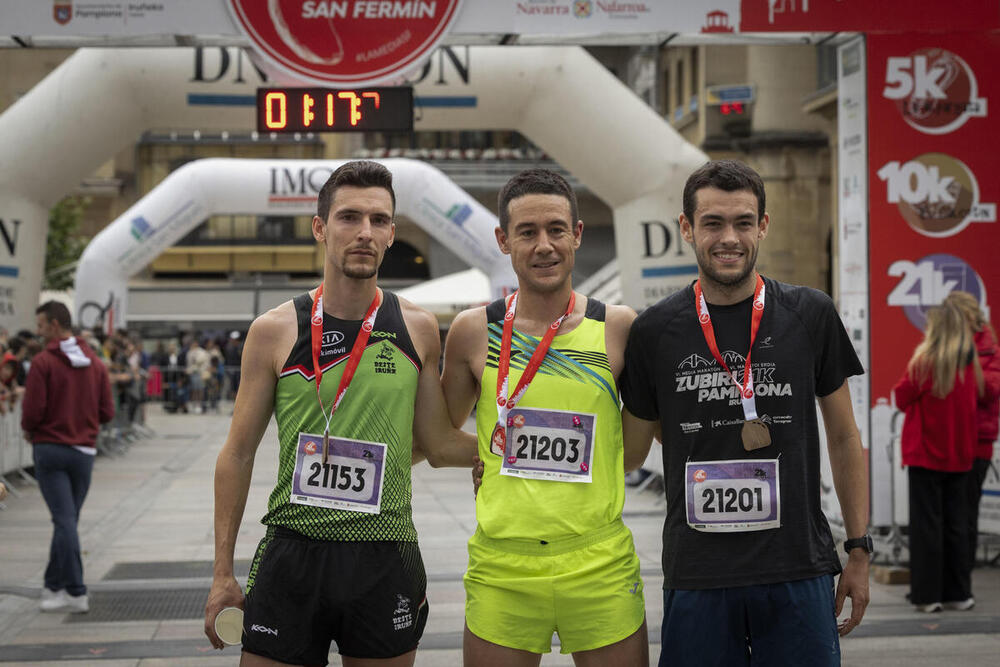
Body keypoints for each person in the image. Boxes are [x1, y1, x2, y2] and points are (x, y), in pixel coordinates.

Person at [204, 160, 476, 666]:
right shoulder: (274, 330)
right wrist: (223, 571)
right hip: (293, 549)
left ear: (392, 233)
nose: (364, 233)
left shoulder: (417, 328)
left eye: (379, 220)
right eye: (349, 217)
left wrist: (512, 449)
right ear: (320, 227)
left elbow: (438, 444)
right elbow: (237, 454)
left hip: (385, 553)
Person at [619, 160, 870, 665]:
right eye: (712, 223)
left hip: (798, 568)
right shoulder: (654, 330)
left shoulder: (810, 313)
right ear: (687, 228)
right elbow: (628, 452)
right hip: (698, 575)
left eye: (742, 222)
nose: (728, 237)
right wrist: (503, 456)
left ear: (763, 225)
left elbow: (844, 438)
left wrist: (859, 551)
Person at [443, 168, 650, 666]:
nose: (544, 245)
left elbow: (631, 452)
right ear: (502, 240)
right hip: (503, 565)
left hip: (598, 560)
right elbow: (436, 435)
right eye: (527, 232)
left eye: (557, 229)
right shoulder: (473, 331)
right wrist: (491, 454)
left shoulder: (618, 327)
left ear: (577, 234)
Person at [22, 301, 115, 613]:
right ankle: (53, 586)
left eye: (40, 325)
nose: (37, 331)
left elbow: (32, 411)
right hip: (83, 452)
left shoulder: (42, 363)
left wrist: (29, 429)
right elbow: (107, 412)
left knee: (64, 521)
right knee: (67, 521)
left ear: (53, 325)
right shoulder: (96, 363)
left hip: (50, 448)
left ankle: (75, 590)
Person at [894, 300, 982, 612]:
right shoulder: (969, 365)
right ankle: (958, 593)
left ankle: (927, 595)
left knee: (926, 526)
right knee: (957, 525)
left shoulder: (926, 363)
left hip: (925, 455)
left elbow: (901, 397)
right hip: (960, 456)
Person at [944, 290, 1000, 570]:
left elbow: (988, 391)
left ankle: (960, 575)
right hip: (948, 439)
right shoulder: (944, 344)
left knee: (965, 512)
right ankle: (944, 576)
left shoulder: (987, 346)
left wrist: (968, 357)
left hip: (976, 441)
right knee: (945, 512)